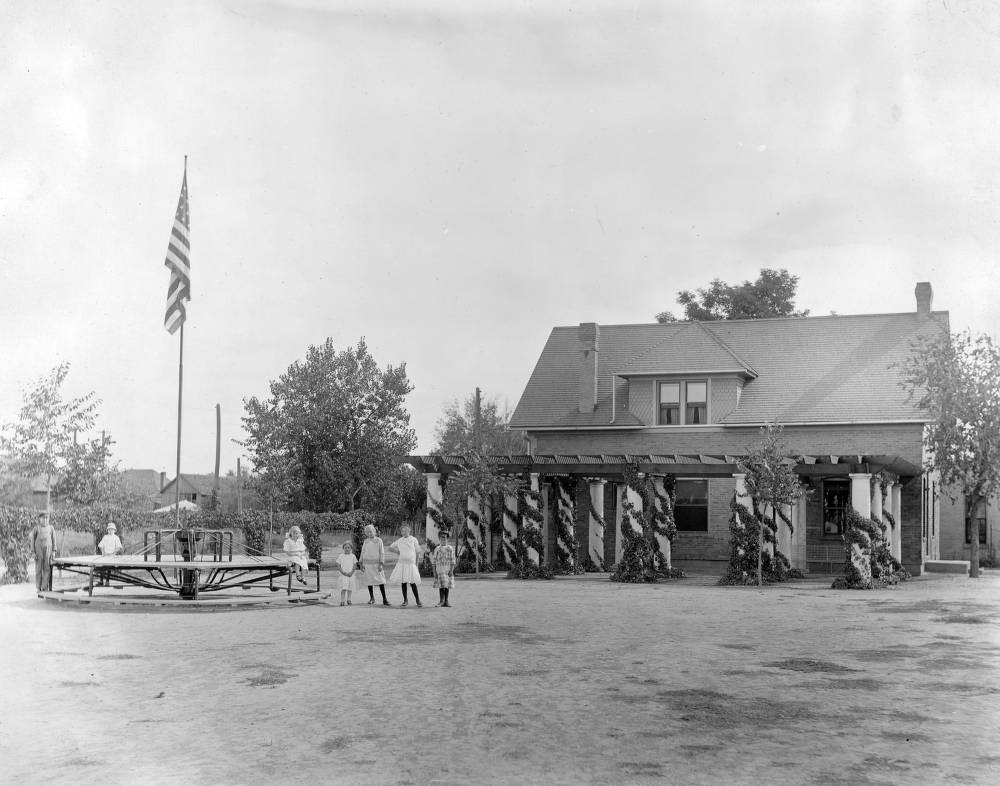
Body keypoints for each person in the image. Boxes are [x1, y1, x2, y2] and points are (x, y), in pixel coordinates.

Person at [388, 524, 422, 607]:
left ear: (409, 531)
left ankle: (418, 600)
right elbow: (390, 548)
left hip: (411, 565)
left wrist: (416, 564)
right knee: (403, 583)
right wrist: (397, 551)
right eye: (402, 531)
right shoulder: (399, 540)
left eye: (406, 530)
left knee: (412, 583)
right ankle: (405, 600)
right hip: (402, 564)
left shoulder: (413, 539)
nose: (404, 532)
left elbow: (418, 552)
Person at [359, 524, 390, 606]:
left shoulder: (379, 540)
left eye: (371, 531)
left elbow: (382, 552)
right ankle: (372, 598)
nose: (369, 533)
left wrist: (381, 563)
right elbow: (363, 552)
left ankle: (385, 599)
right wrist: (361, 563)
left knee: (381, 580)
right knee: (369, 581)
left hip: (376, 564)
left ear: (374, 532)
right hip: (367, 564)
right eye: (368, 532)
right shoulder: (366, 541)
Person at [29, 512, 56, 593]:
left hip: (48, 551)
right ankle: (38, 587)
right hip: (38, 552)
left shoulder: (51, 528)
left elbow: (54, 540)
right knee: (38, 570)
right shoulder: (36, 528)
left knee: (47, 569)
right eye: (43, 518)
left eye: (47, 518)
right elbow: (32, 541)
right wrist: (33, 552)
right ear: (39, 519)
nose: (45, 520)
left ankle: (44, 587)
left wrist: (54, 551)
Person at [432, 530, 456, 607]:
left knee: (447, 586)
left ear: (447, 539)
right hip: (439, 570)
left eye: (445, 538)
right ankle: (441, 601)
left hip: (447, 570)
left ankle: (446, 601)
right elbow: (434, 561)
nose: (443, 540)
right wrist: (434, 572)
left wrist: (451, 570)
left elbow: (453, 560)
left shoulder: (450, 548)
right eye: (442, 539)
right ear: (439, 539)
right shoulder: (437, 549)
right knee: (441, 586)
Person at [96, 521, 124, 587]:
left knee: (109, 568)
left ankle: (107, 581)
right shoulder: (105, 537)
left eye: (112, 529)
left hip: (112, 556)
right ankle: (101, 581)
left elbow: (119, 547)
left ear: (114, 530)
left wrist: (113, 553)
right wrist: (103, 552)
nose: (110, 531)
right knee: (101, 567)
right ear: (107, 530)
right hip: (105, 555)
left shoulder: (116, 538)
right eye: (109, 529)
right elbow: (101, 545)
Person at [336, 542, 358, 606]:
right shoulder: (341, 556)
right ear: (343, 548)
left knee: (350, 588)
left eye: (348, 548)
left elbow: (355, 565)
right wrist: (342, 572)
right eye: (345, 548)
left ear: (351, 548)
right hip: (344, 575)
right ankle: (342, 600)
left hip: (351, 575)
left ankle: (349, 599)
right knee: (344, 588)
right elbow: (338, 565)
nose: (347, 549)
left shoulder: (353, 556)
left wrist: (351, 572)